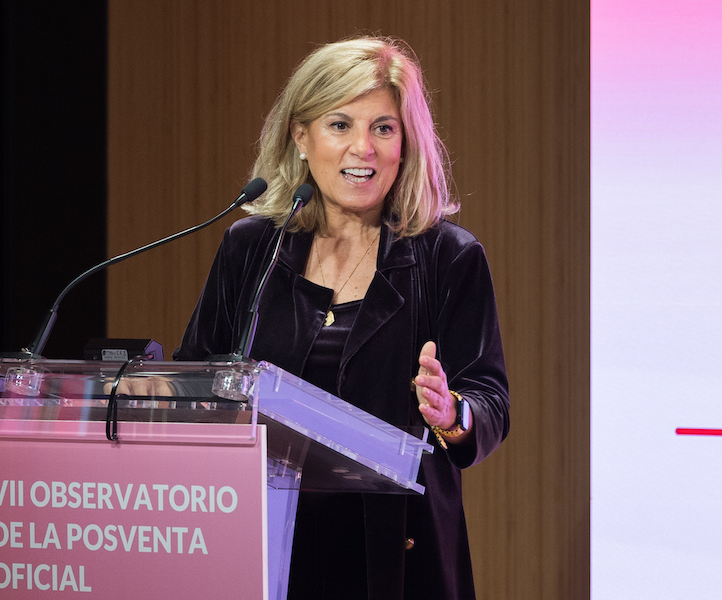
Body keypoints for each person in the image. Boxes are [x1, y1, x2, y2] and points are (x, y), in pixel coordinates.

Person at [174, 36, 509, 600]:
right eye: (340, 125)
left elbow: (490, 404)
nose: (364, 148)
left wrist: (452, 412)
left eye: (383, 127)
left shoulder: (447, 257)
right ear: (301, 137)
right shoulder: (253, 250)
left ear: (406, 143)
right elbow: (195, 380)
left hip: (395, 559)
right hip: (263, 547)